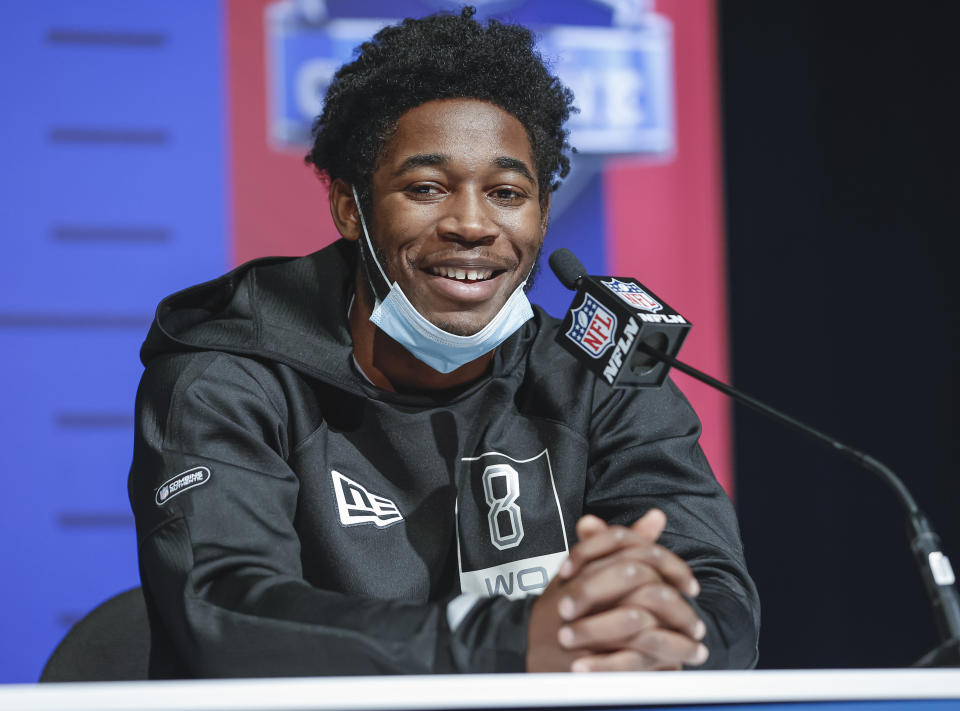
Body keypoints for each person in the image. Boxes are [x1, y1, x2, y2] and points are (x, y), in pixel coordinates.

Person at [128, 7, 759, 678]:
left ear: (542, 214)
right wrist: (507, 643)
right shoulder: (228, 375)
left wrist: (656, 627)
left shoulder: (596, 376)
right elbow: (225, 614)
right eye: (426, 188)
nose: (470, 223)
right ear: (350, 206)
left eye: (507, 192)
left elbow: (719, 602)